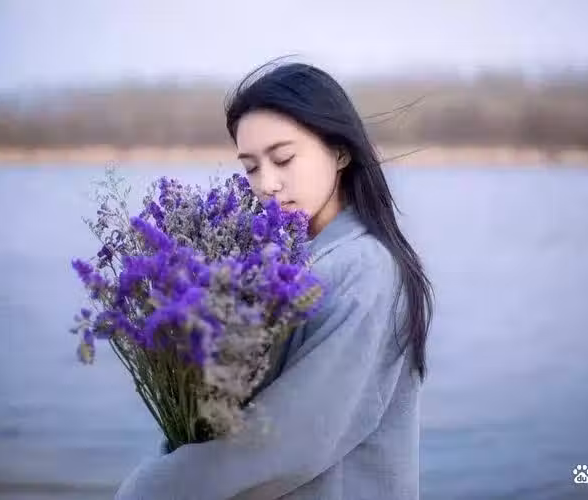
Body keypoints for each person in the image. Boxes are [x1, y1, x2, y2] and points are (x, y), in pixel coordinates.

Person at [115, 59, 434, 500]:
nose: (267, 183)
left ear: (340, 152)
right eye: (250, 167)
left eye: (283, 158)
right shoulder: (290, 264)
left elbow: (293, 441)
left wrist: (154, 486)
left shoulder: (364, 269)